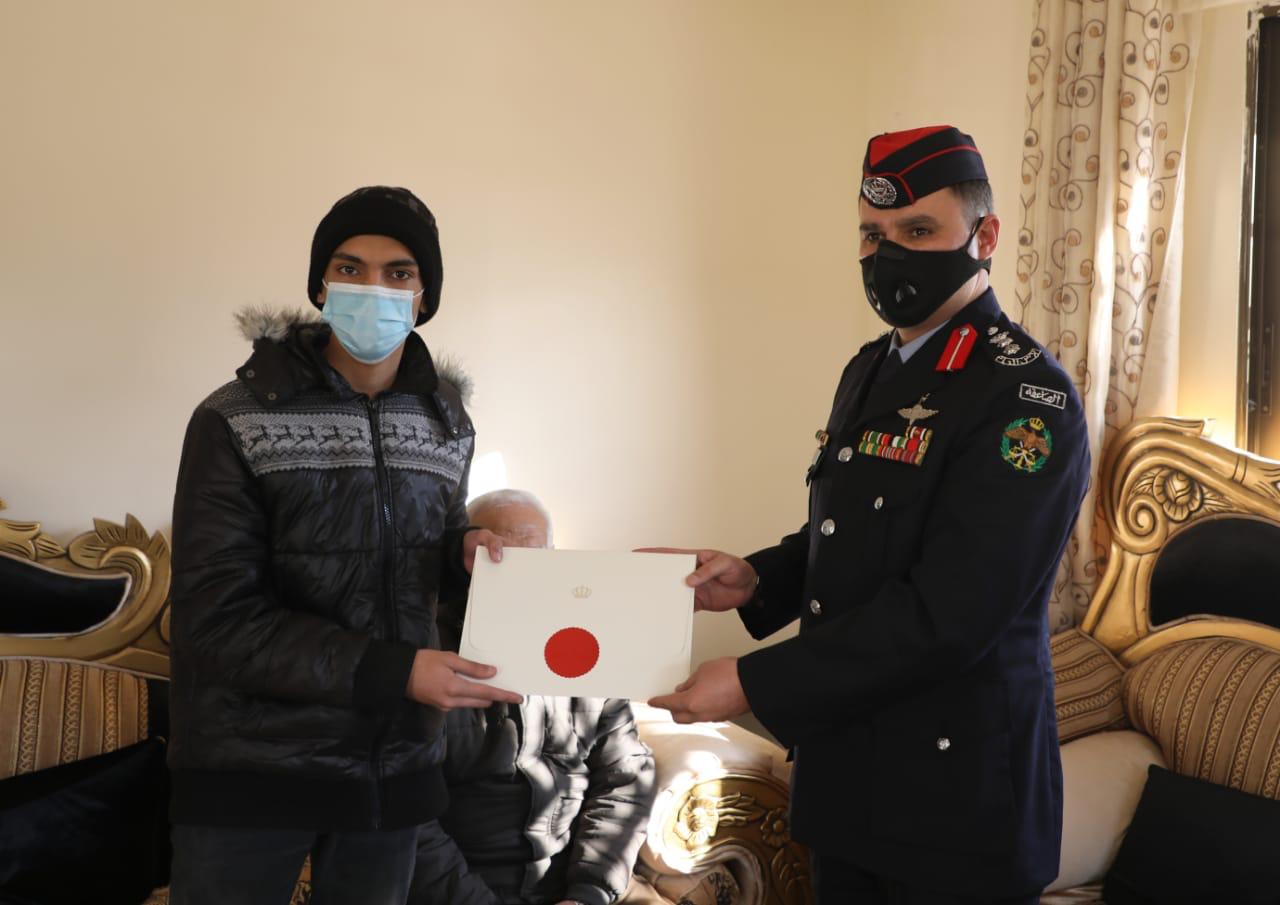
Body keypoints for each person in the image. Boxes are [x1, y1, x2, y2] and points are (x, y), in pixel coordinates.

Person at [648, 126, 1091, 904]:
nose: (888, 255)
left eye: (918, 231)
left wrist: (752, 679)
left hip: (957, 802)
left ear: (985, 237)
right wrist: (756, 579)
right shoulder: (872, 366)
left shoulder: (1026, 398)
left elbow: (952, 611)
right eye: (872, 234)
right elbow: (856, 533)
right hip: (850, 781)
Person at [168, 186, 522, 905]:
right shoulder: (235, 418)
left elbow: (415, 557)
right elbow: (214, 621)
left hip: (393, 770)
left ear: (423, 297)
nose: (373, 287)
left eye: (399, 272)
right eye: (350, 267)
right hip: (251, 770)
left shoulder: (447, 422)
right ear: (320, 286)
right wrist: (397, 672)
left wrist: (463, 553)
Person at [413, 489, 657, 905]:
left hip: (574, 883)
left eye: (537, 562)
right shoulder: (427, 658)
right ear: (466, 563)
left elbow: (625, 776)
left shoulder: (587, 651)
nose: (522, 580)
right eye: (502, 560)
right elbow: (407, 811)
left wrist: (588, 893)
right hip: (461, 886)